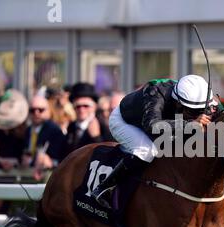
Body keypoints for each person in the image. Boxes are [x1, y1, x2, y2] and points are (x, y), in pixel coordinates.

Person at [91, 75, 217, 208]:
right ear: (178, 102)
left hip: (159, 120)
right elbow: (152, 126)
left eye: (201, 111)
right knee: (147, 150)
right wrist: (189, 123)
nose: (198, 114)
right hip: (126, 121)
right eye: (193, 111)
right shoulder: (155, 93)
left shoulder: (201, 97)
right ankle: (104, 188)